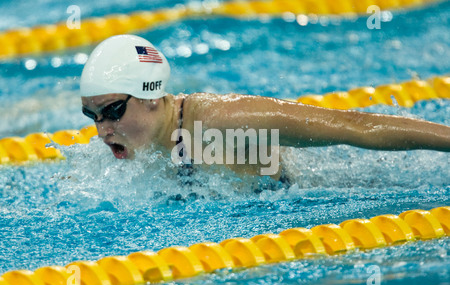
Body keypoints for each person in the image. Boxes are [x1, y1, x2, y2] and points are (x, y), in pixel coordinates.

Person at [80, 35, 450, 180]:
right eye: (92, 116)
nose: (102, 130)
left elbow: (355, 126)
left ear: (150, 96)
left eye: (112, 112)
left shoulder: (225, 122)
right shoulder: (136, 152)